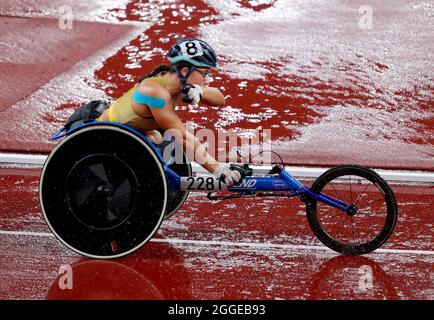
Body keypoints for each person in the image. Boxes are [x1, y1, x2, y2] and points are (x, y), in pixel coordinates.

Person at [93, 38, 241, 186]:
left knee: (156, 137)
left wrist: (201, 91)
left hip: (127, 134)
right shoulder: (156, 93)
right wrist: (218, 168)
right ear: (185, 71)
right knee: (166, 144)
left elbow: (221, 100)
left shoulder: (172, 82)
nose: (208, 79)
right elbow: (181, 137)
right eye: (205, 73)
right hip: (102, 142)